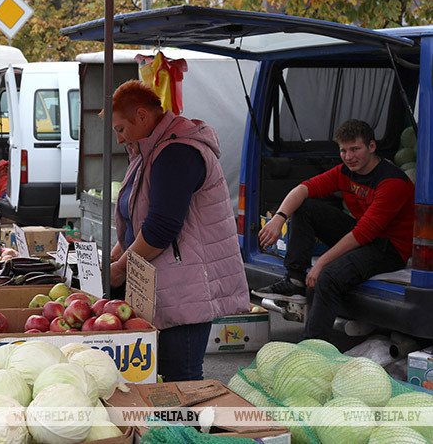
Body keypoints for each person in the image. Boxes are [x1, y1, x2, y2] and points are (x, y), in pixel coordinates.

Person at [107, 81, 248, 382]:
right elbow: (139, 218)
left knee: (181, 378)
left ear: (143, 117)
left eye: (120, 129)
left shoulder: (177, 153)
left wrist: (120, 269)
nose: (119, 139)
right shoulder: (149, 150)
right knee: (162, 379)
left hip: (185, 289)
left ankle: (188, 431)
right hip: (162, 285)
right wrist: (117, 253)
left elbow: (160, 229)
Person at [254, 120, 414, 341]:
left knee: (327, 277)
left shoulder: (392, 182)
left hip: (389, 248)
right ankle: (295, 282)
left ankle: (310, 347)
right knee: (305, 206)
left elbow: (363, 233)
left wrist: (321, 263)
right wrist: (279, 218)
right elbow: (303, 188)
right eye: (343, 150)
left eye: (355, 149)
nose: (349, 156)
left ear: (372, 147)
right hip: (363, 234)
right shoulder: (344, 172)